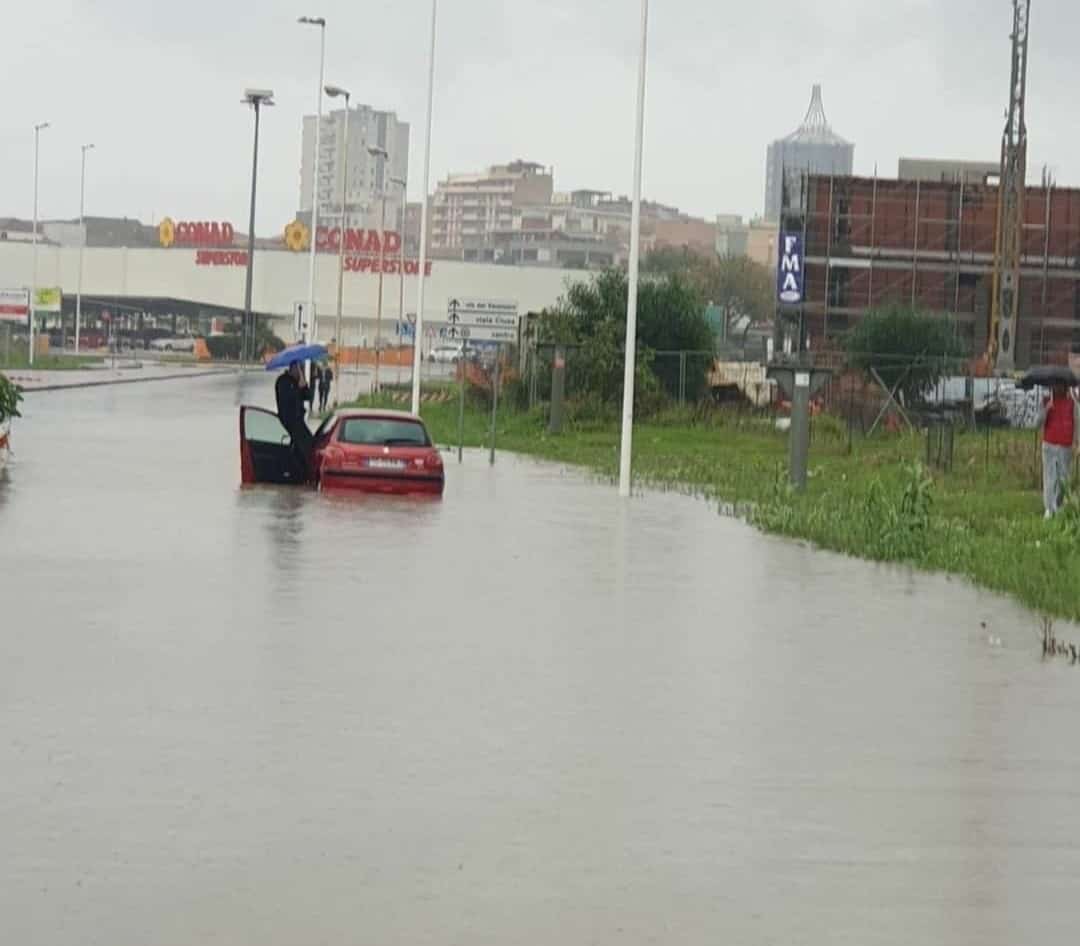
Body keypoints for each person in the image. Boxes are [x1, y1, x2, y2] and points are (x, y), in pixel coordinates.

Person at [1038, 382, 1079, 518]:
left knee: (1063, 477)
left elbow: (1076, 422)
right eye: (1056, 386)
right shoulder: (1046, 401)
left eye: (1062, 386)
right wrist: (1046, 410)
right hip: (1049, 444)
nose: (1059, 389)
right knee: (1050, 477)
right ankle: (1049, 508)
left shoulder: (1072, 403)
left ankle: (1059, 504)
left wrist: (1077, 442)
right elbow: (1037, 422)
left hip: (1065, 445)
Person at [275, 360, 314, 477]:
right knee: (301, 448)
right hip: (288, 422)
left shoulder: (297, 382)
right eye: (299, 369)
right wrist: (297, 387)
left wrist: (304, 385)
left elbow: (307, 396)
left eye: (301, 370)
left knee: (310, 445)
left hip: (298, 422)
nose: (300, 372)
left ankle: (304, 473)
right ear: (293, 369)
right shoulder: (283, 381)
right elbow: (287, 400)